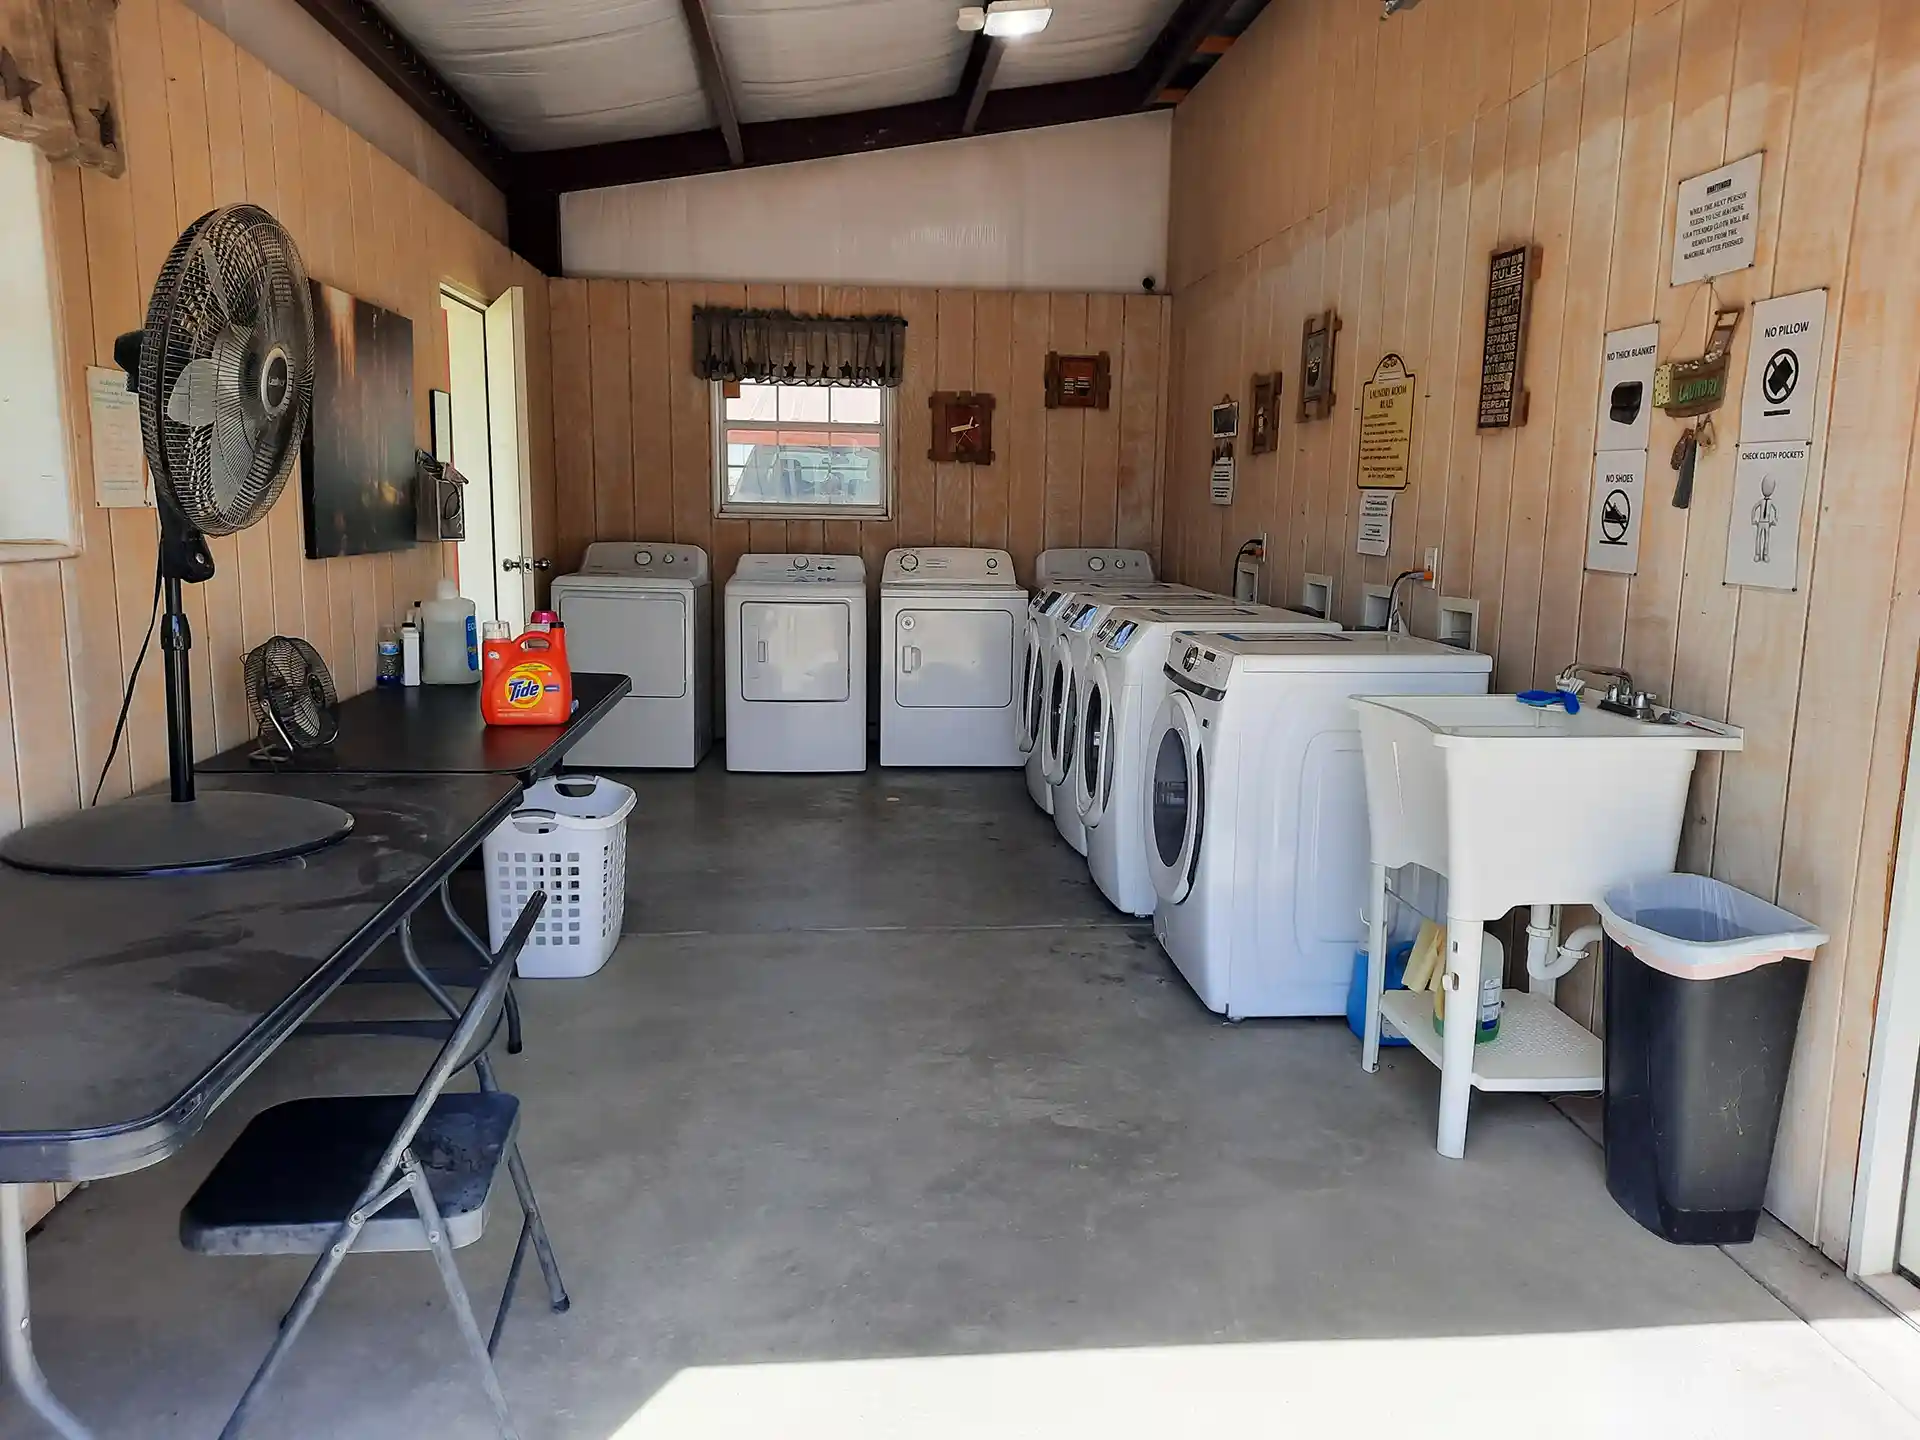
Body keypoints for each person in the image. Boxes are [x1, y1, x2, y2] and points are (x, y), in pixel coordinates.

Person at [1752, 475, 1779, 566]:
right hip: (1760, 522)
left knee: (1766, 539)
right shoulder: (1761, 501)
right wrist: (1754, 519)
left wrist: (1774, 519)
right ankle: (1758, 554)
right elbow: (1754, 508)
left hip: (1767, 523)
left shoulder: (1771, 502)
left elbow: (1775, 510)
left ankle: (1765, 554)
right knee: (1758, 538)